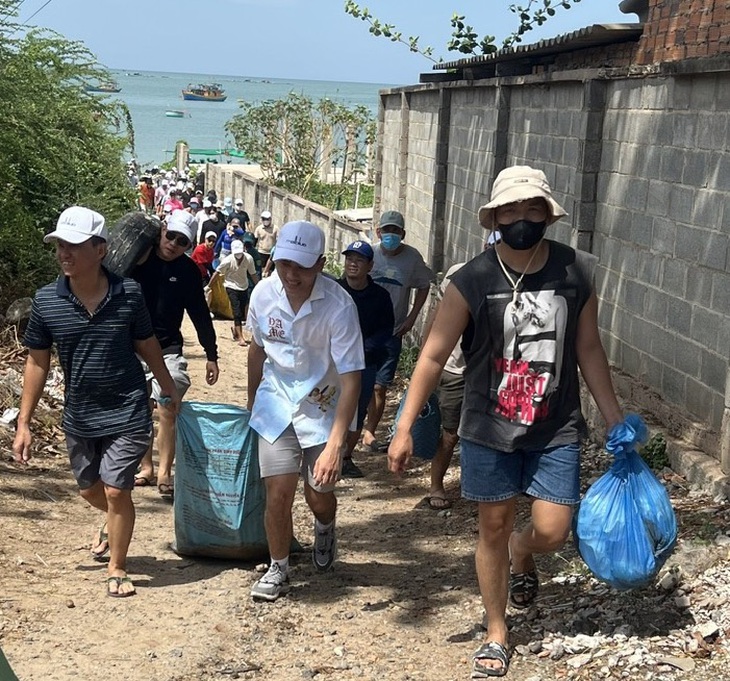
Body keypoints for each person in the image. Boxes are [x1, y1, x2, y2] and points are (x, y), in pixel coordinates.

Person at [387, 165, 623, 677]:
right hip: (488, 428)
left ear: (547, 214)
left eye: (532, 208)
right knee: (492, 525)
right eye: (511, 209)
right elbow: (431, 356)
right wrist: (404, 427)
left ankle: (524, 551)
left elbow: (588, 348)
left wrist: (615, 418)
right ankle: (497, 631)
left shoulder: (575, 270)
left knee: (553, 529)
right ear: (495, 217)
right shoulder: (470, 280)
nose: (522, 217)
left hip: (554, 425)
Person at [12, 206, 180, 598]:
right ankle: (115, 520)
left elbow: (146, 343)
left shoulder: (128, 293)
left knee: (118, 490)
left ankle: (118, 567)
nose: (64, 254)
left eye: (73, 245)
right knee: (91, 490)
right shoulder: (46, 301)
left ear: (100, 249)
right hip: (80, 414)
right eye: (59, 246)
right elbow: (37, 360)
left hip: (128, 406)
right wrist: (24, 422)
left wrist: (167, 390)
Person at [246, 220, 364, 601]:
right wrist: (252, 404)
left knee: (318, 493)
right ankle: (278, 566)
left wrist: (335, 445)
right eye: (284, 264)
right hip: (276, 402)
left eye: (301, 266)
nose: (291, 275)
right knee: (277, 492)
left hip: (324, 406)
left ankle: (325, 524)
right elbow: (257, 350)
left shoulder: (339, 306)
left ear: (321, 263)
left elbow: (351, 378)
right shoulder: (263, 295)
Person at [132, 210, 220, 497]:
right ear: (162, 231)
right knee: (139, 409)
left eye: (182, 241)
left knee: (168, 406)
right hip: (131, 345)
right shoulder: (136, 259)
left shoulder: (187, 271)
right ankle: (145, 466)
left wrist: (211, 353)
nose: (173, 243)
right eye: (171, 236)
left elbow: (199, 314)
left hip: (168, 348)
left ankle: (165, 471)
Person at [362, 210, 434, 451]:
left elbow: (424, 286)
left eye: (395, 231)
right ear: (378, 231)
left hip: (392, 331)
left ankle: (370, 431)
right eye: (386, 230)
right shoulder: (368, 254)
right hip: (364, 330)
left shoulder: (412, 259)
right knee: (359, 381)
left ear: (402, 234)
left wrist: (412, 318)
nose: (390, 235)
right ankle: (353, 425)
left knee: (379, 385)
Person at [336, 240, 394, 478]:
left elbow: (385, 331)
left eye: (359, 260)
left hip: (364, 363)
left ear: (370, 266)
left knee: (357, 411)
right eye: (350, 259)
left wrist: (361, 349)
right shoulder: (334, 291)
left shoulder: (380, 297)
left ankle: (346, 458)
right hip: (332, 362)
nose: (353, 264)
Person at [206, 238, 259, 346]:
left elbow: (253, 274)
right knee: (237, 312)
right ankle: (240, 337)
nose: (238, 255)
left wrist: (259, 286)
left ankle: (236, 331)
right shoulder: (228, 260)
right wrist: (209, 286)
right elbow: (217, 272)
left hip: (243, 286)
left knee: (241, 310)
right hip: (231, 286)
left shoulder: (249, 259)